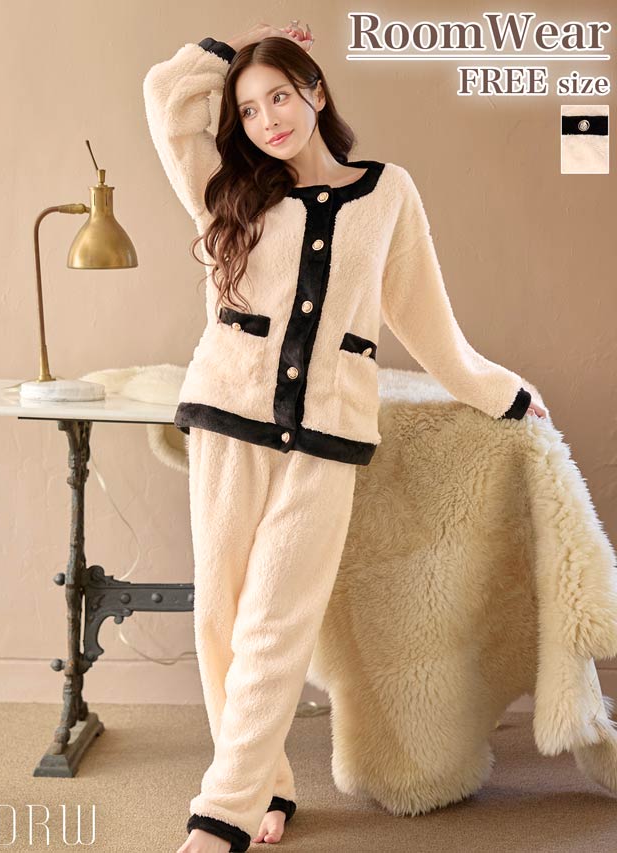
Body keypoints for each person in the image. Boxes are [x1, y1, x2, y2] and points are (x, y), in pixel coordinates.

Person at [143, 19, 547, 853]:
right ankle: (263, 785)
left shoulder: (388, 193)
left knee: (276, 622)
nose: (266, 120)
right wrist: (232, 50)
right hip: (229, 422)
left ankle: (219, 813)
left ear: (316, 92)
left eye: (280, 97)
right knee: (220, 616)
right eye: (248, 109)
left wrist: (500, 391)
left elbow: (426, 320)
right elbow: (165, 97)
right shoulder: (228, 186)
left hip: (326, 435)